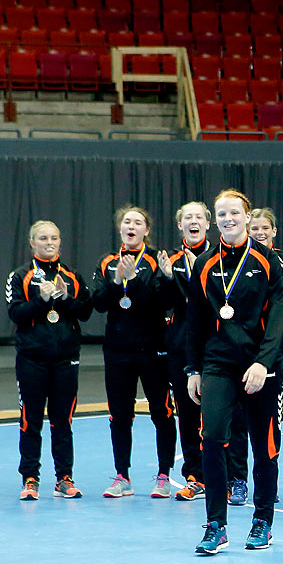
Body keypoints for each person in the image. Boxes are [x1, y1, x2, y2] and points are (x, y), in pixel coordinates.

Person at [187, 189, 283, 554]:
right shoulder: (205, 265)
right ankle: (216, 524)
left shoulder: (268, 261)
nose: (229, 219)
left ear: (247, 217)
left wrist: (263, 362)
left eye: (235, 213)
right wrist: (192, 368)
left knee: (264, 445)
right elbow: (196, 321)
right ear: (216, 221)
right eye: (222, 214)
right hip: (217, 364)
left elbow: (278, 318)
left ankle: (263, 520)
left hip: (260, 364)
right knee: (212, 438)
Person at [91, 205, 175, 499]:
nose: (132, 226)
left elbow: (162, 302)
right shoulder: (107, 262)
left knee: (161, 412)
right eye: (127, 221)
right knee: (120, 414)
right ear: (120, 228)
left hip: (153, 349)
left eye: (138, 222)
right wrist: (117, 282)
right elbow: (98, 304)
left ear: (146, 230)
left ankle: (163, 475)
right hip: (117, 351)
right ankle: (122, 476)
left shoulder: (155, 261)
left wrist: (147, 279)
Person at [7, 220, 92, 500]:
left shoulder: (72, 275)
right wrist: (42, 300)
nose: (49, 242)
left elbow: (85, 311)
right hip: (32, 360)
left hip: (66, 359)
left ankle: (64, 478)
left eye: (54, 237)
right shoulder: (19, 277)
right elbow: (15, 314)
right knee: (30, 421)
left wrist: (65, 298)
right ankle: (30, 479)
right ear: (32, 243)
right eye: (43, 238)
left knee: (62, 421)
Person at [227, 207, 283, 506]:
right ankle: (239, 481)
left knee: (269, 423)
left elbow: (282, 301)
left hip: (270, 355)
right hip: (238, 352)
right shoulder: (233, 259)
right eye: (254, 227)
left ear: (274, 232)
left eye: (265, 228)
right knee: (237, 420)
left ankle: (267, 482)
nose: (259, 232)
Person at [161, 201, 212, 501]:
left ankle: (228, 476)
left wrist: (196, 276)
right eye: (187, 217)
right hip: (182, 350)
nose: (193, 222)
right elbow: (168, 303)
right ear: (179, 225)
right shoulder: (171, 261)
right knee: (188, 416)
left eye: (198, 217)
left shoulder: (220, 258)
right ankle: (195, 476)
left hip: (217, 349)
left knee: (220, 416)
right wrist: (170, 278)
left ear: (208, 224)